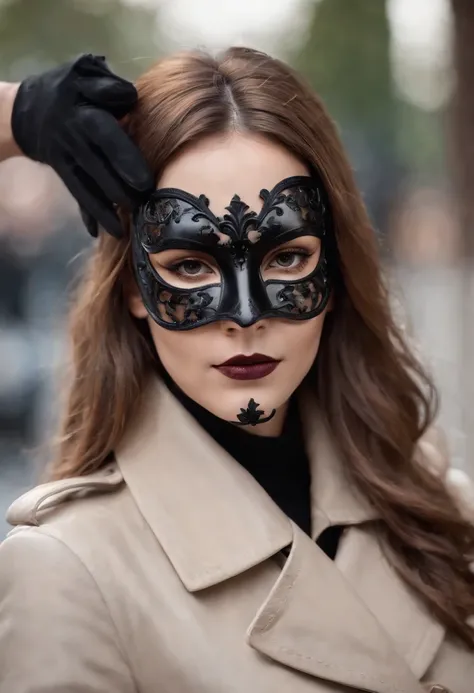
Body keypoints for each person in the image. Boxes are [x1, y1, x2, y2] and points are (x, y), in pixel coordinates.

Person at [0, 50, 473, 693]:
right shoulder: (69, 570)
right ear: (134, 291)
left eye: (287, 256)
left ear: (335, 271)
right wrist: (15, 115)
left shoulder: (445, 515)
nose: (245, 317)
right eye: (190, 265)